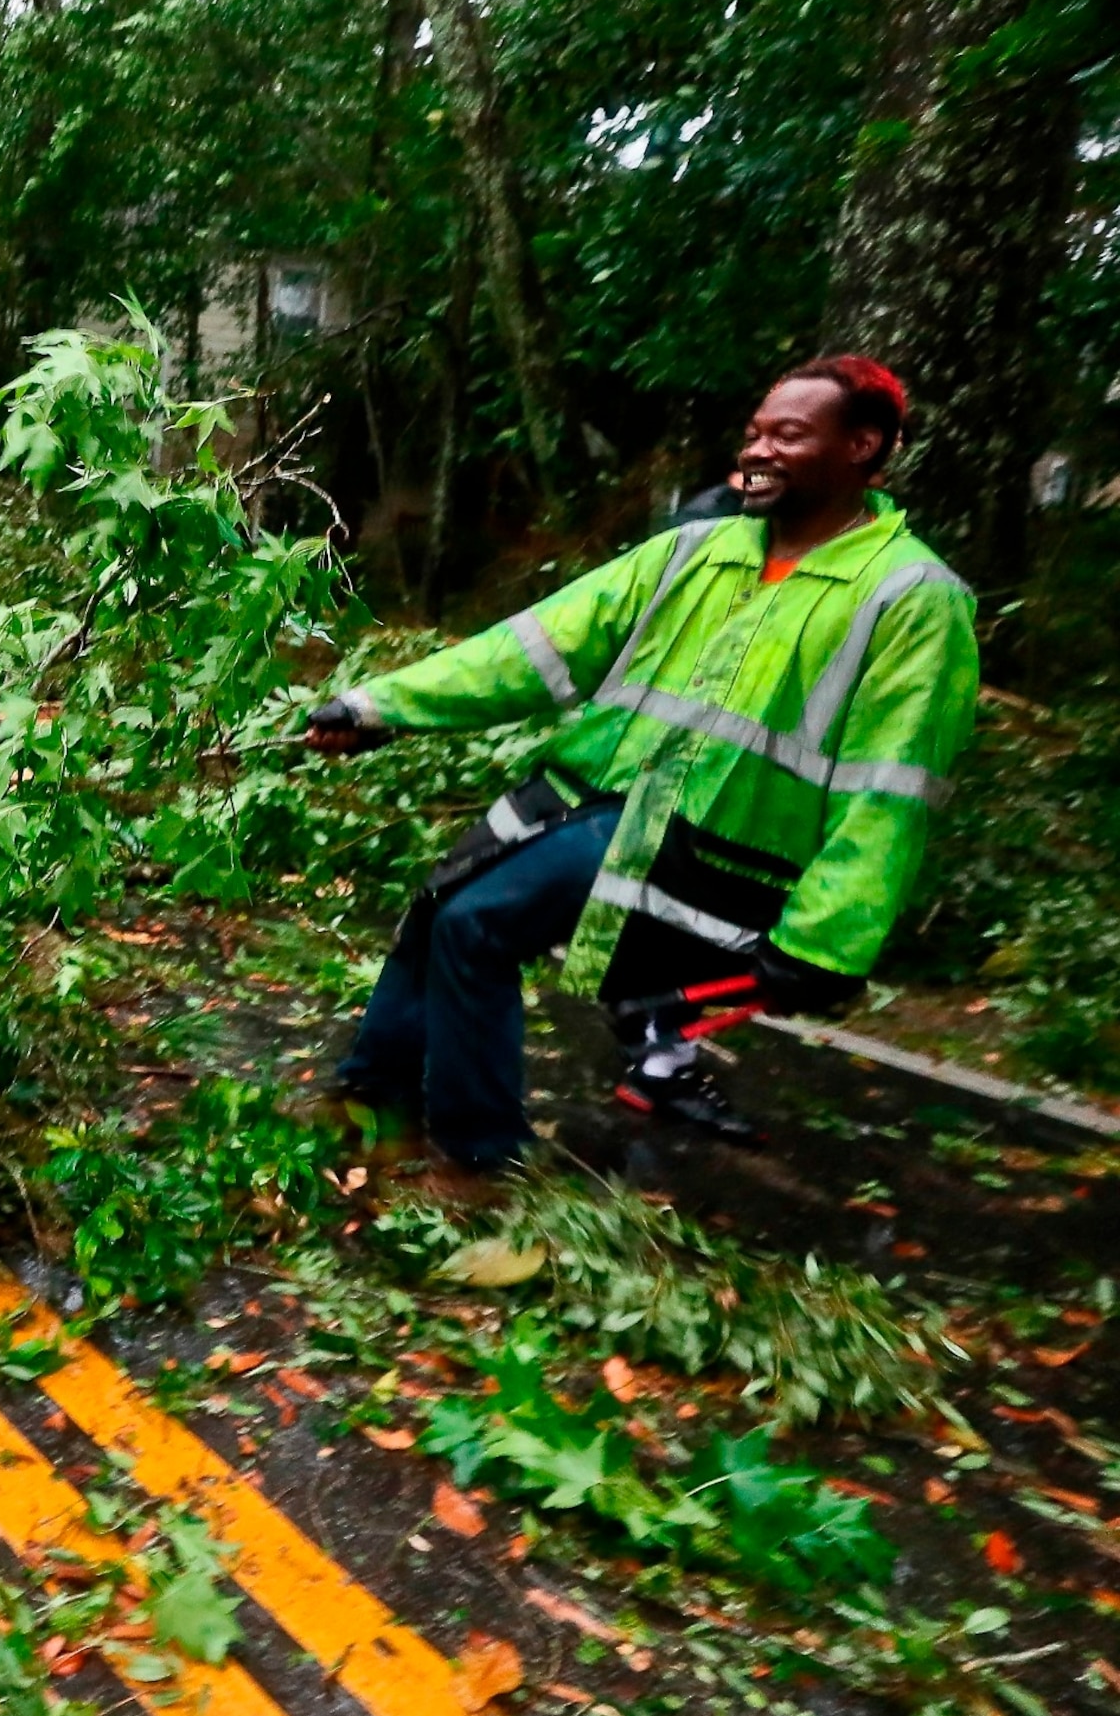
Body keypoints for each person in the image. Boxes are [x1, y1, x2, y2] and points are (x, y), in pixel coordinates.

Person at [306, 356, 977, 1160]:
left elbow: (891, 787)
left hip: (715, 848)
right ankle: (373, 1097)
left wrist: (828, 941)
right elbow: (535, 647)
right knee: (440, 906)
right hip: (598, 800)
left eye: (788, 435)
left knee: (475, 927)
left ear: (862, 447)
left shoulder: (913, 597)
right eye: (755, 432)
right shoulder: (696, 550)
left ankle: (482, 1161)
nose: (758, 450)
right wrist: (380, 707)